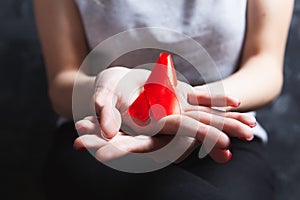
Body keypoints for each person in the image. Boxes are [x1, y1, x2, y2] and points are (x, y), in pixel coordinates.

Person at [34, 0, 294, 199]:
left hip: (220, 132)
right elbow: (61, 83)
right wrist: (110, 90)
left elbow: (266, 67)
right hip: (99, 134)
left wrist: (190, 100)